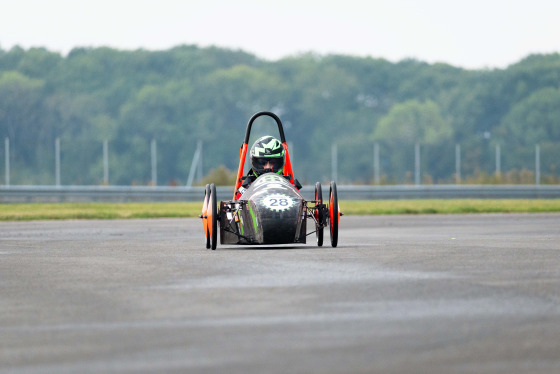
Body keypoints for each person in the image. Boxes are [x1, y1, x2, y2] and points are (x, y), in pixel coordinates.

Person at [235, 135, 300, 199]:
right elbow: (237, 204)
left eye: (273, 163)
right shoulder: (246, 188)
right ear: (255, 162)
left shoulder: (289, 187)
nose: (268, 167)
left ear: (280, 162)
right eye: (263, 163)